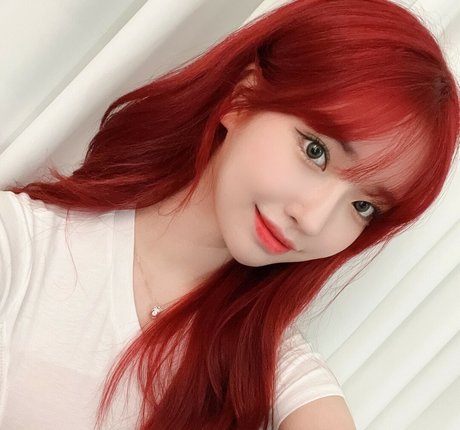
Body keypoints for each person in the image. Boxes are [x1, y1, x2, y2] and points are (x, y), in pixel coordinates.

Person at [0, 0, 458, 428]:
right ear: (242, 97)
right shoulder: (23, 245)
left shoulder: (272, 371)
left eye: (363, 206)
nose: (313, 220)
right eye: (315, 151)